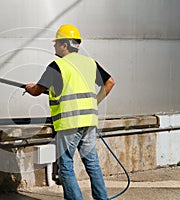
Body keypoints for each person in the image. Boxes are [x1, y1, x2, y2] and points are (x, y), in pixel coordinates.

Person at [25, 24, 115, 200]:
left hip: (69, 123)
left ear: (65, 45)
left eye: (57, 43)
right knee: (92, 164)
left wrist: (29, 88)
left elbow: (36, 90)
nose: (54, 46)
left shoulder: (58, 65)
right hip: (89, 121)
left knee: (65, 165)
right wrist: (94, 103)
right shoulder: (89, 63)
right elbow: (110, 82)